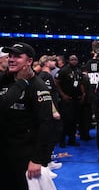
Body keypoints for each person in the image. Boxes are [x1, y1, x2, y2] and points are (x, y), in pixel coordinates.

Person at [0, 42, 54, 190]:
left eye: (17, 56)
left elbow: (46, 124)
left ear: (29, 61)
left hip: (23, 154)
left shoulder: (38, 86)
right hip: (4, 151)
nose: (11, 59)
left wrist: (37, 159)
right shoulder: (4, 80)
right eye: (10, 56)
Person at [55, 54, 84, 147]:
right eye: (72, 60)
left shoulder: (79, 70)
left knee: (74, 121)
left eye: (75, 60)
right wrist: (62, 94)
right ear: (68, 60)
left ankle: (72, 140)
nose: (74, 61)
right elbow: (56, 82)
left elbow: (81, 83)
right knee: (65, 121)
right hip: (66, 100)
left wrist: (83, 94)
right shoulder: (63, 70)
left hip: (76, 99)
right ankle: (62, 140)